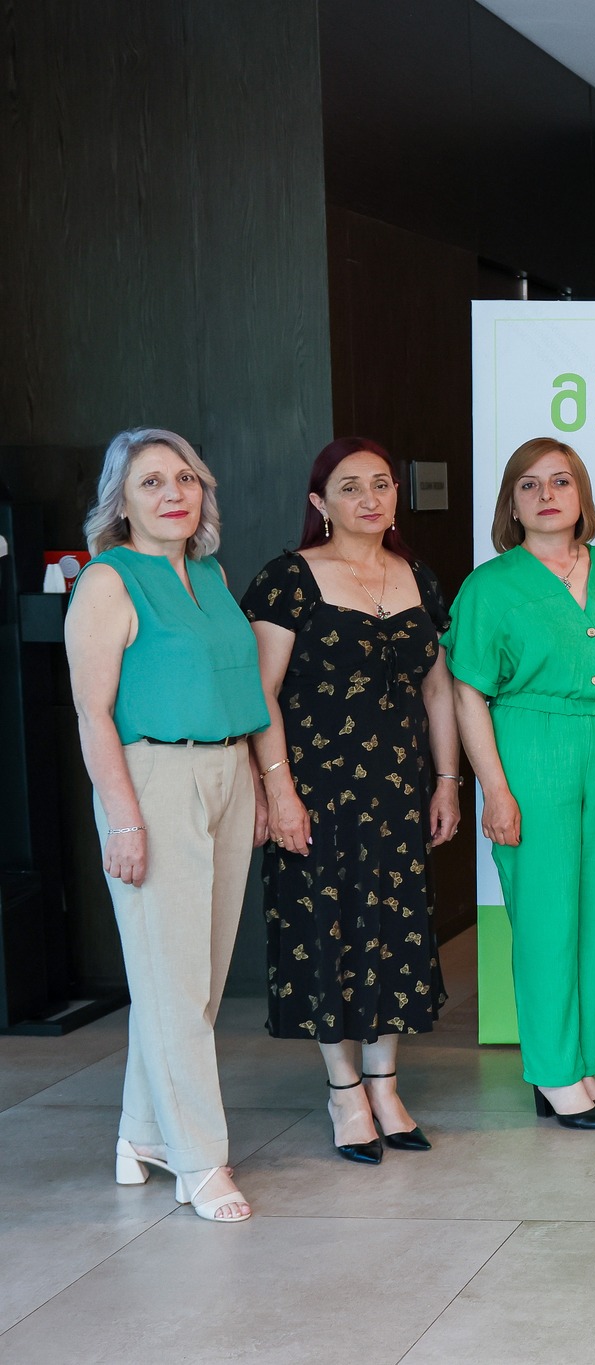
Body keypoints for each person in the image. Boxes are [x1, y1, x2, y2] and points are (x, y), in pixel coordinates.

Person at [67, 428, 269, 1222]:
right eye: (150, 481)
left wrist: (257, 781)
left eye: (184, 478)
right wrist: (124, 819)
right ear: (120, 501)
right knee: (174, 983)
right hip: (152, 778)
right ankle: (199, 1160)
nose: (173, 493)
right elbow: (92, 714)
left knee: (192, 979)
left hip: (227, 772)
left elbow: (239, 683)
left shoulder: (210, 574)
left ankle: (142, 1133)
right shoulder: (107, 581)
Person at [243, 437, 460, 1164]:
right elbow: (262, 694)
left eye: (382, 484)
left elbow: (437, 687)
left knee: (395, 935)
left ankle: (386, 1086)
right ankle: (344, 1093)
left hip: (397, 792)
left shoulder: (418, 576)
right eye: (349, 486)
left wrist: (447, 779)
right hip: (317, 792)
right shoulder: (288, 578)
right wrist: (279, 791)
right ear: (320, 503)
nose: (370, 498)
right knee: (325, 935)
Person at [444, 437, 595, 1130]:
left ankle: (582, 1062)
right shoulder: (490, 585)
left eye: (561, 481)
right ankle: (553, 1070)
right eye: (529, 485)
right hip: (531, 747)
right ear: (511, 503)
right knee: (543, 916)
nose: (547, 495)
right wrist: (495, 790)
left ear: (581, 494)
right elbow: (468, 691)